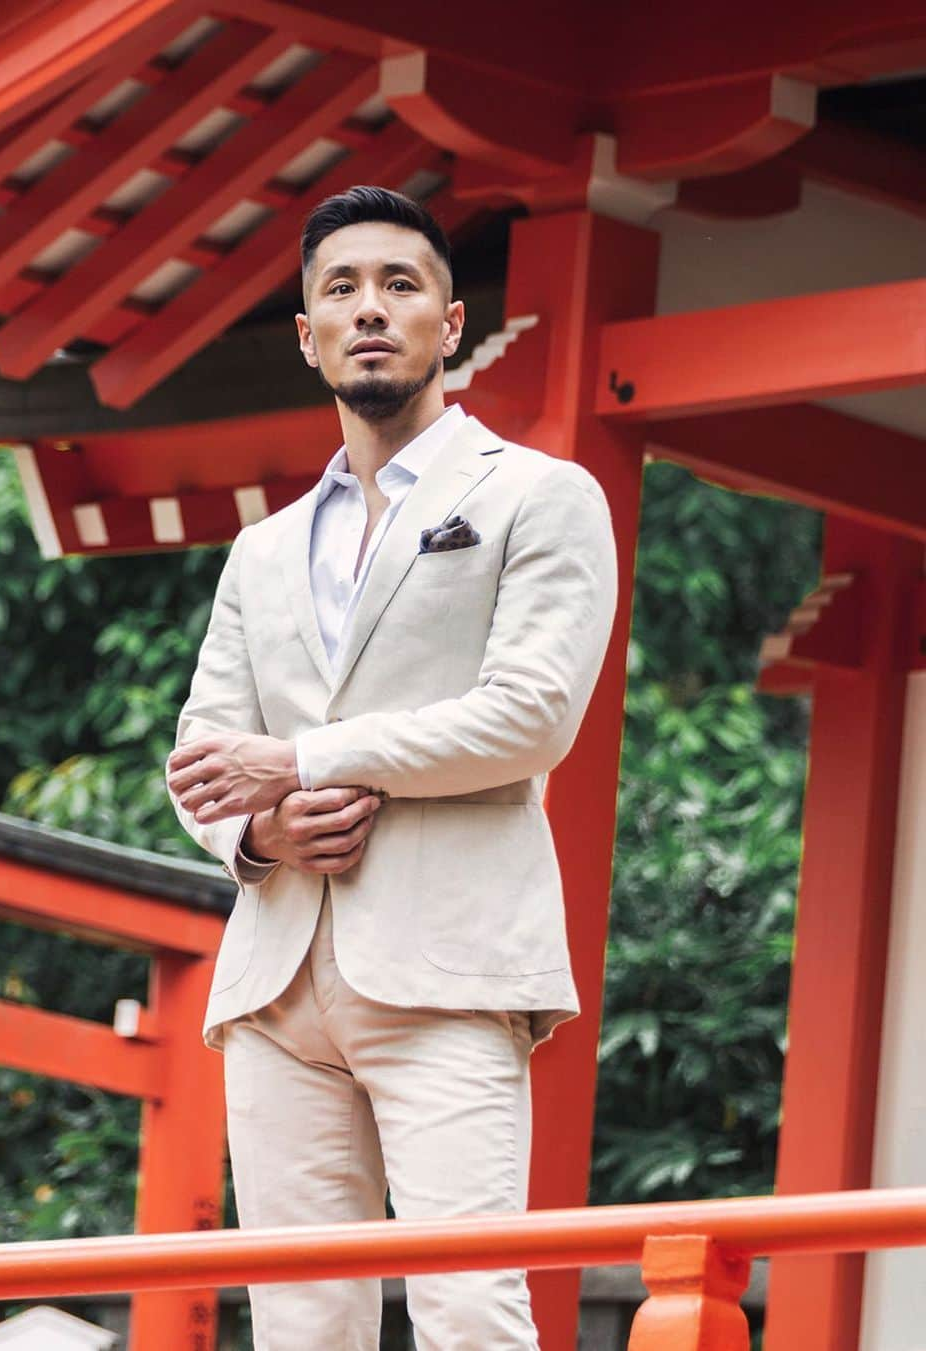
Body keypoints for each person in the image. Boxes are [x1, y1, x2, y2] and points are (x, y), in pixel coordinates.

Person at [165, 185, 617, 1350]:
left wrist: (306, 757)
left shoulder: (540, 495)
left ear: (451, 324)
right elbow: (204, 754)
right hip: (274, 983)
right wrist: (260, 837)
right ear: (309, 335)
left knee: (471, 1307)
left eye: (401, 285)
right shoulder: (260, 550)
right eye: (341, 290)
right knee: (301, 1326)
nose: (372, 310)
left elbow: (531, 716)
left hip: (450, 967)